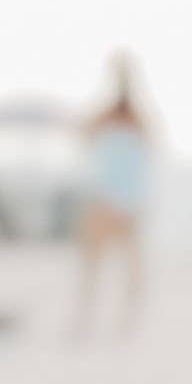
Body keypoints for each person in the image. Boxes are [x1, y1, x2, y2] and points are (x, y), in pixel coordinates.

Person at [72, 51, 152, 336]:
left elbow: (83, 134)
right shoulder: (129, 117)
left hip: (117, 200)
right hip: (115, 199)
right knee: (103, 267)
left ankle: (117, 324)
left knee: (113, 267)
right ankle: (97, 322)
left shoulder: (130, 117)